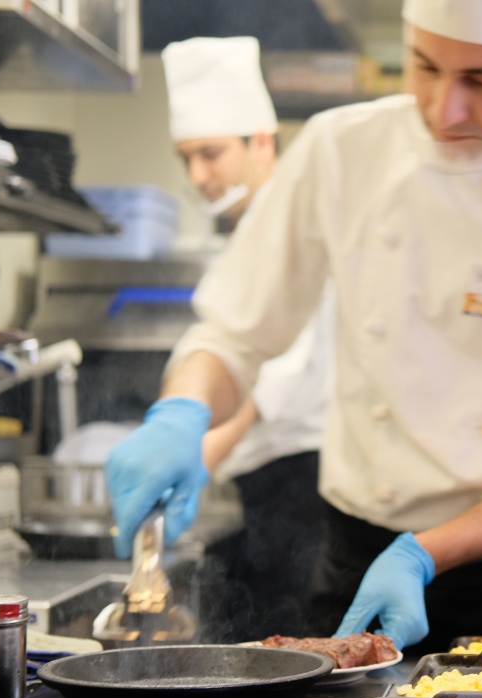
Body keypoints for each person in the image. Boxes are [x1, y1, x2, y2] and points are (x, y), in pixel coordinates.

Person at [106, 0, 482, 654]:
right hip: (356, 573)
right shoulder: (339, 149)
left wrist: (424, 555)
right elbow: (235, 333)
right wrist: (181, 412)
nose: (442, 108)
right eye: (424, 66)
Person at [155, 36, 336, 640]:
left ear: (262, 141)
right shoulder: (247, 230)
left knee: (288, 660)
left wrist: (197, 455)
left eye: (210, 153)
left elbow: (279, 375)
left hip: (307, 492)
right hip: (270, 489)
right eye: (186, 158)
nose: (198, 175)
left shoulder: (300, 224)